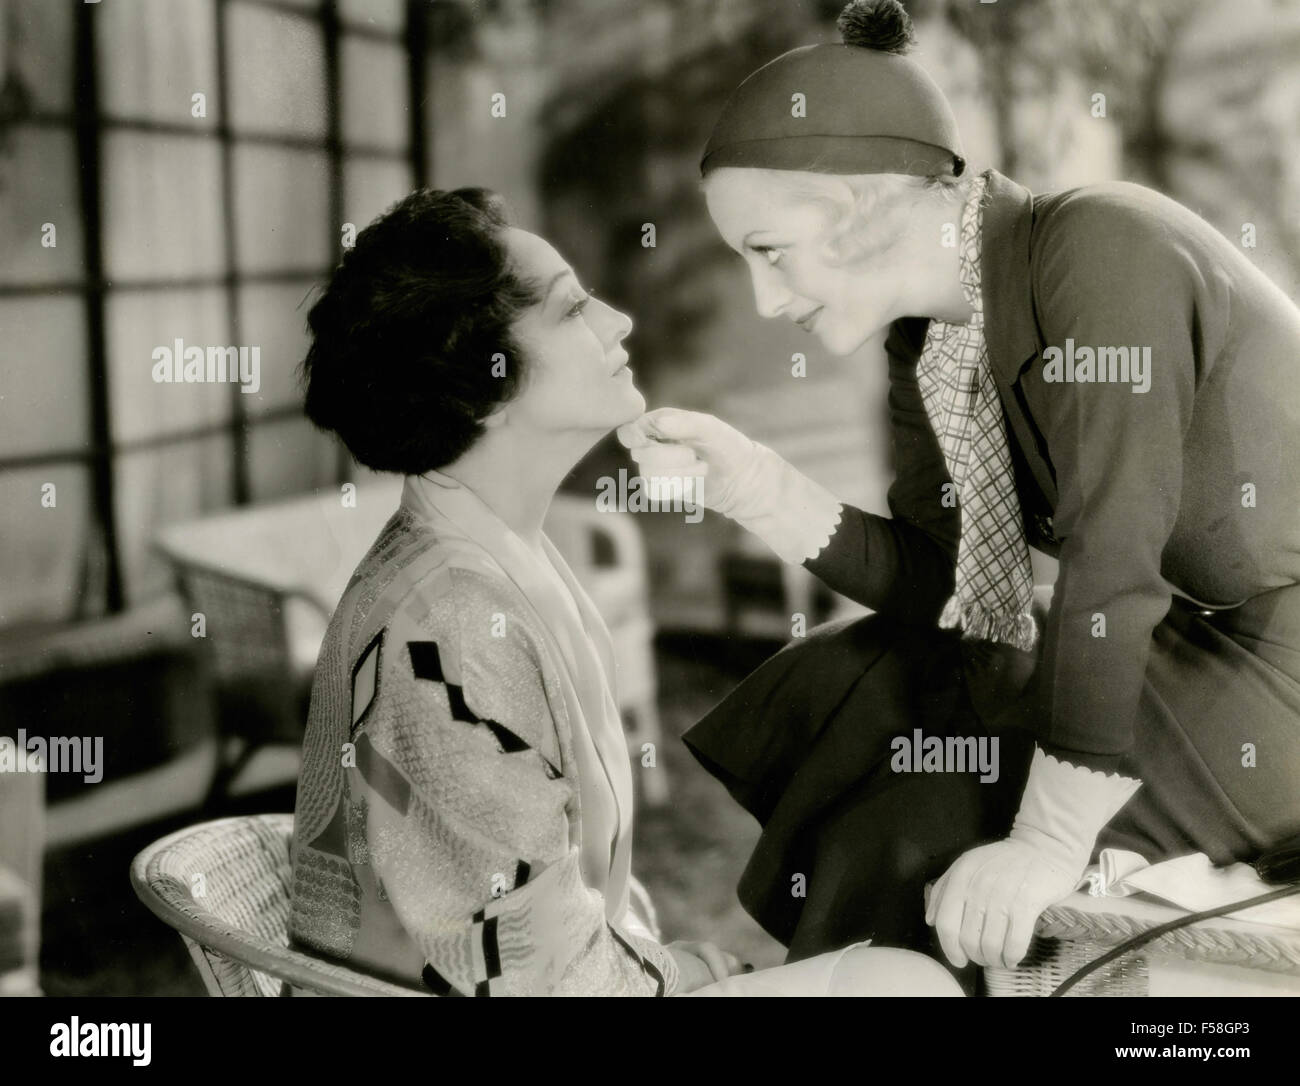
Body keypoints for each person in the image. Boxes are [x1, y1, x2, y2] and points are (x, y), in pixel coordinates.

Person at [619, 0, 1300, 979]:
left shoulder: (1102, 251)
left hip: (1279, 666)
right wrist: (755, 485)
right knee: (865, 684)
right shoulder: (927, 344)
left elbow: (1114, 557)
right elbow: (944, 589)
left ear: (856, 207)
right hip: (1196, 643)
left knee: (942, 800)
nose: (768, 301)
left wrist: (1045, 843)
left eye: (766, 252)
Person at [285, 186, 960, 997]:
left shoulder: (499, 553)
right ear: (482, 386)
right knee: (906, 989)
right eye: (574, 310)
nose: (619, 322)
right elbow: (531, 971)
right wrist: (684, 979)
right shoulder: (452, 622)